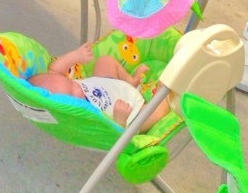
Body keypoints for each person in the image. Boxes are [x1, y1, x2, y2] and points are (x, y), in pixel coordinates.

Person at [29, 42, 169, 132]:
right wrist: (120, 120)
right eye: (71, 95)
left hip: (108, 83)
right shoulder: (84, 117)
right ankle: (163, 93)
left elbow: (54, 70)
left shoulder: (62, 85)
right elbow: (111, 136)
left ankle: (131, 81)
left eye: (71, 83)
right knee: (153, 116)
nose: (77, 90)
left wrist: (76, 56)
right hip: (128, 110)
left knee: (104, 61)